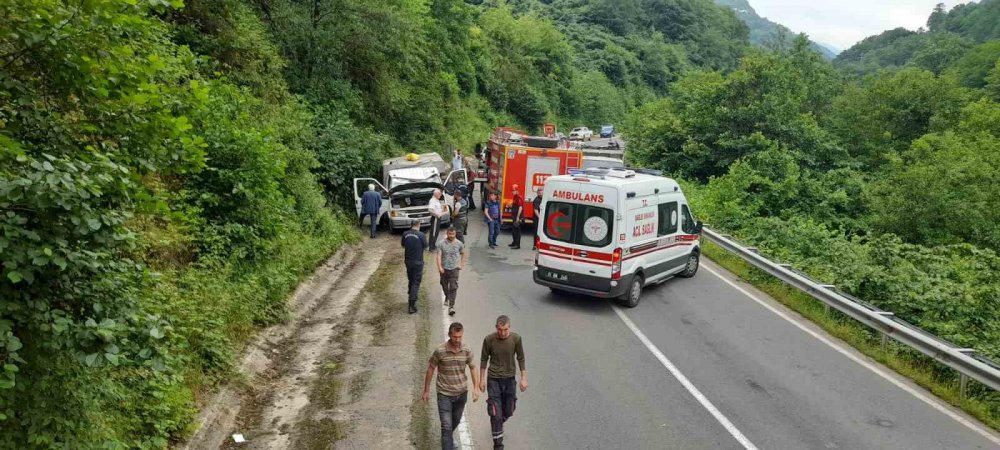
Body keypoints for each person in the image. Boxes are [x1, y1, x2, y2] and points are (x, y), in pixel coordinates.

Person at [423, 322, 480, 450]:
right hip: (444, 394)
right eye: (455, 337)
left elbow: (473, 367)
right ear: (449, 335)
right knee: (446, 426)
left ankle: (447, 437)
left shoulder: (466, 350)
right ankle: (447, 441)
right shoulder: (440, 351)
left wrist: (476, 388)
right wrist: (426, 390)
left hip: (461, 393)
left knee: (455, 421)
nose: (457, 340)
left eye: (460, 337)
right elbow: (431, 368)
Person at [479, 315, 527, 450]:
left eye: (506, 329)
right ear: (496, 327)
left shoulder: (516, 339)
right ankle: (498, 445)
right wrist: (481, 379)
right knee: (495, 412)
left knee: (510, 409)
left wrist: (524, 377)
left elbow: (521, 358)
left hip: (510, 379)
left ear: (509, 328)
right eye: (500, 329)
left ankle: (499, 422)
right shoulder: (489, 339)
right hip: (493, 379)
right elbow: (483, 359)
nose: (503, 332)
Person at [437, 226, 466, 316]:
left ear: (455, 234)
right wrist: (440, 267)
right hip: (444, 269)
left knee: (453, 287)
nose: (451, 236)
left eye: (453, 234)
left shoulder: (459, 244)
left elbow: (463, 253)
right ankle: (447, 296)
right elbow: (438, 256)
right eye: (450, 234)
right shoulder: (441, 243)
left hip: (454, 269)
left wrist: (461, 265)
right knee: (444, 284)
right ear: (447, 234)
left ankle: (451, 307)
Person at [401, 219, 428, 314]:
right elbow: (426, 247)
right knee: (416, 282)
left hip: (408, 261)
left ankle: (410, 293)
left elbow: (403, 245)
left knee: (411, 279)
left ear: (411, 224)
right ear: (418, 224)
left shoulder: (405, 234)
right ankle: (411, 305)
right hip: (418, 262)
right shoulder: (421, 235)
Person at [508, 184, 523, 249]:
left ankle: (517, 245)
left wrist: (518, 217)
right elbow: (515, 205)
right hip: (514, 217)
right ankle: (514, 242)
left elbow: (520, 207)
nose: (512, 192)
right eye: (512, 191)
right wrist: (511, 205)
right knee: (514, 230)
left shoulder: (519, 197)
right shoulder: (515, 197)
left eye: (513, 191)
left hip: (517, 217)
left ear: (517, 190)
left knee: (517, 231)